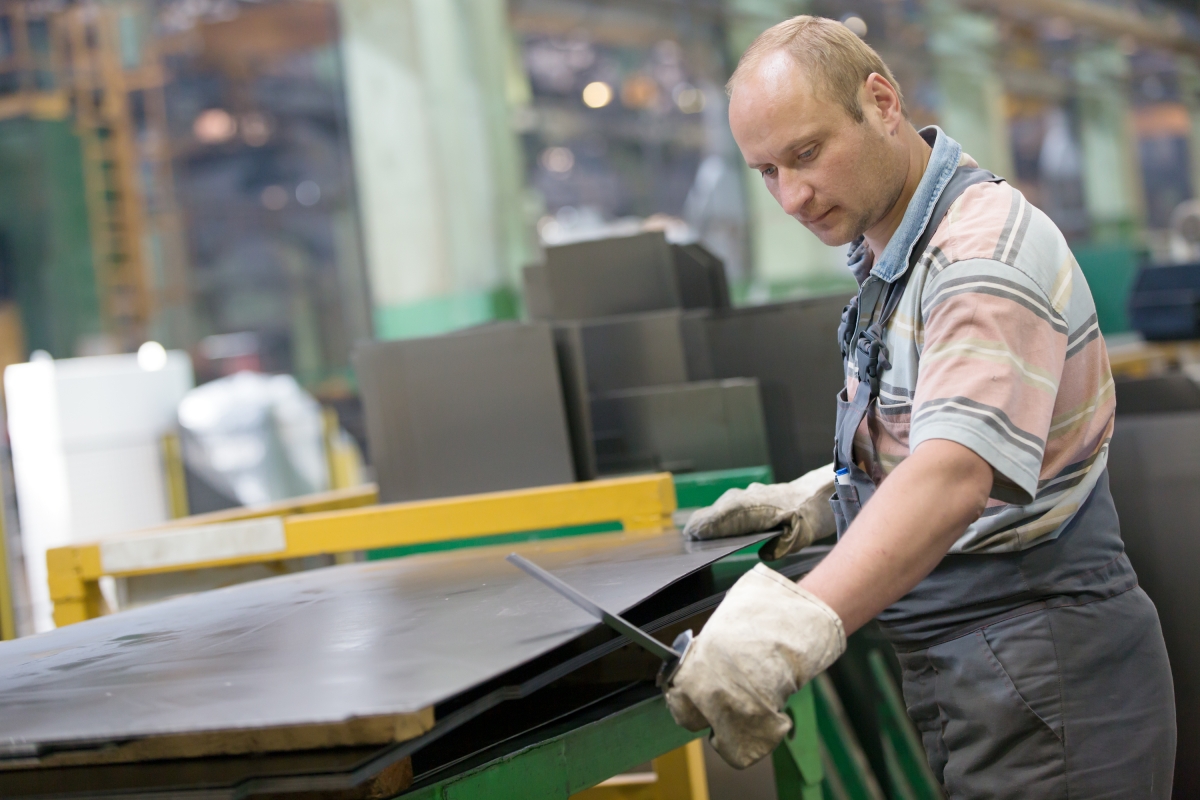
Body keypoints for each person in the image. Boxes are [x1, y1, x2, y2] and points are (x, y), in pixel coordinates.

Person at [665, 16, 1176, 798]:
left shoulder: (978, 256)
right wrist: (837, 495)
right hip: (979, 662)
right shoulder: (897, 246)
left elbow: (953, 476)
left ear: (881, 101)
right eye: (766, 170)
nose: (792, 195)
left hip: (1045, 665)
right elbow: (931, 427)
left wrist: (788, 630)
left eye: (806, 153)